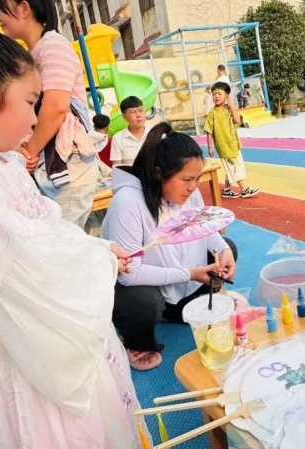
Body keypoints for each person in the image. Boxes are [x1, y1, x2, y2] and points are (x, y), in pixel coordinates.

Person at [0, 2, 148, 447]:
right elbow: (35, 287)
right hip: (30, 373)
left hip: (49, 354)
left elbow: (47, 231)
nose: (36, 118)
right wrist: (99, 264)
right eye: (29, 102)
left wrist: (98, 249)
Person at [101, 122, 238, 371]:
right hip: (147, 285)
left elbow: (204, 228)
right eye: (186, 179)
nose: (193, 186)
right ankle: (137, 339)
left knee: (228, 247)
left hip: (184, 277)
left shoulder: (189, 192)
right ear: (158, 174)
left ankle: (181, 307)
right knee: (143, 301)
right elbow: (128, 274)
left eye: (196, 178)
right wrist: (189, 274)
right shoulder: (128, 202)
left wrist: (223, 251)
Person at [0, 0, 100, 229]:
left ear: (24, 8)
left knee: (62, 243)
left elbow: (56, 107)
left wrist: (29, 152)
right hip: (53, 170)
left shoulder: (53, 46)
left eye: (1, 8)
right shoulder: (34, 52)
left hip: (69, 171)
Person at [205, 82, 260, 198]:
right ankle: (244, 189)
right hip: (224, 146)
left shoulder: (229, 109)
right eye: (214, 94)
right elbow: (209, 131)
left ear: (227, 96)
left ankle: (226, 189)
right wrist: (210, 147)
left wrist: (232, 106)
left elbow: (237, 121)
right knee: (235, 167)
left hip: (234, 143)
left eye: (219, 94)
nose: (216, 96)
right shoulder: (212, 114)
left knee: (232, 167)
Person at [110, 96, 150, 166]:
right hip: (129, 173)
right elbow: (118, 168)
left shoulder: (156, 134)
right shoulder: (118, 138)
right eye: (133, 112)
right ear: (124, 117)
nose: (138, 115)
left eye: (140, 110)